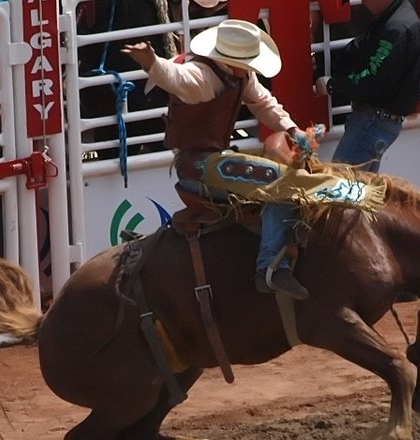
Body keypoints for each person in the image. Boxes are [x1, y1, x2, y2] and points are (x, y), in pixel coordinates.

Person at [123, 20, 385, 300]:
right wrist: (152, 62)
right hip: (197, 166)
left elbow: (264, 103)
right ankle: (270, 267)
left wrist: (292, 130)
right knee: (284, 183)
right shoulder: (203, 77)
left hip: (212, 160)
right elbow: (177, 78)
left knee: (278, 179)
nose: (251, 68)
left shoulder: (239, 75)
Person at [315, 0, 420, 173]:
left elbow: (373, 80)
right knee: (360, 191)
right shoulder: (396, 20)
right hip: (380, 121)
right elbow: (362, 51)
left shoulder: (395, 28)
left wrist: (332, 85)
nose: (364, 3)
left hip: (373, 121)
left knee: (339, 188)